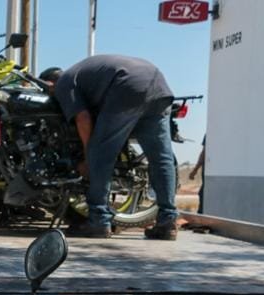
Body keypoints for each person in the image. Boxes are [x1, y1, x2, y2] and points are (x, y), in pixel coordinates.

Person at [48, 55, 179, 240]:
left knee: (101, 155)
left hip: (127, 87)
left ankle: (99, 221)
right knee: (161, 159)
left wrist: (88, 156)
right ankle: (168, 222)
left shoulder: (64, 82)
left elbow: (83, 118)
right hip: (158, 84)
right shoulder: (82, 71)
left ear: (49, 82)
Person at [191, 135, 206, 214]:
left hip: (209, 175)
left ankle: (201, 215)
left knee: (203, 193)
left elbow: (204, 152)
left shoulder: (210, 133)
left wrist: (195, 170)